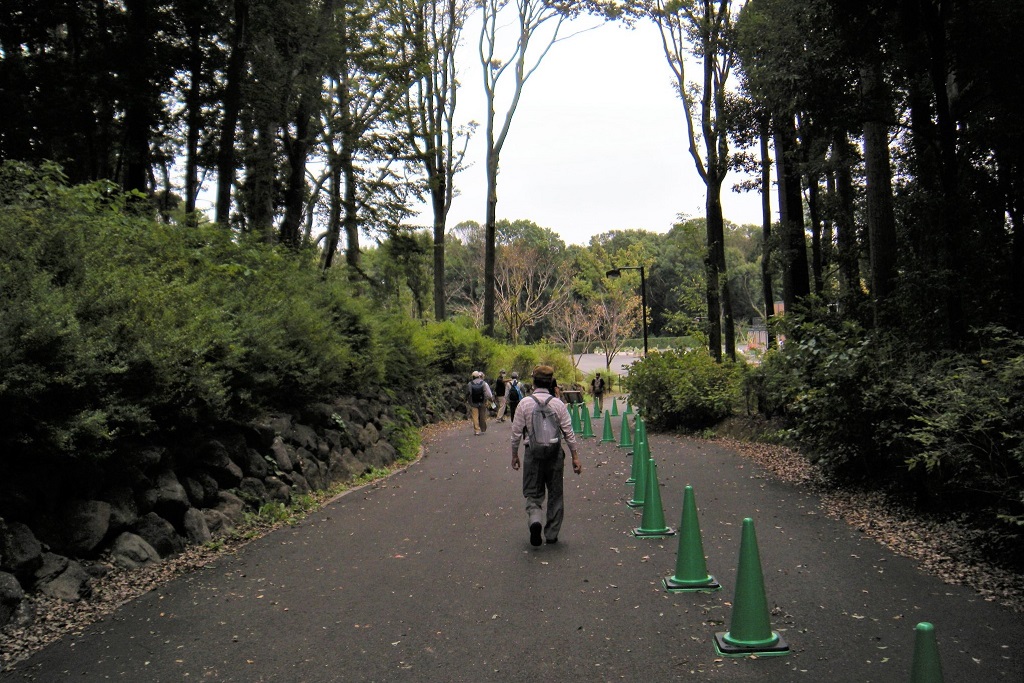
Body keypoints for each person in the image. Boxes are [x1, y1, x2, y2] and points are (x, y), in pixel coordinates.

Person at [510, 365, 582, 546]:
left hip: (532, 453)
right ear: (551, 382)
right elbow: (568, 432)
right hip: (554, 454)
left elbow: (516, 433)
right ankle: (551, 534)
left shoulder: (524, 403)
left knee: (533, 493)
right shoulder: (558, 404)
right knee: (555, 494)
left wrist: (514, 455)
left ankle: (535, 520)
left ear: (533, 382)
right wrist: (575, 456)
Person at [466, 370, 493, 435]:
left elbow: (469, 393)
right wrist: (489, 399)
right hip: (482, 402)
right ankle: (483, 429)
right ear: (478, 376)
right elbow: (487, 393)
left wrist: (468, 400)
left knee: (475, 416)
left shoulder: (470, 384)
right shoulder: (483, 383)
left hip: (473, 402)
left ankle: (477, 430)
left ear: (472, 376)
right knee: (482, 415)